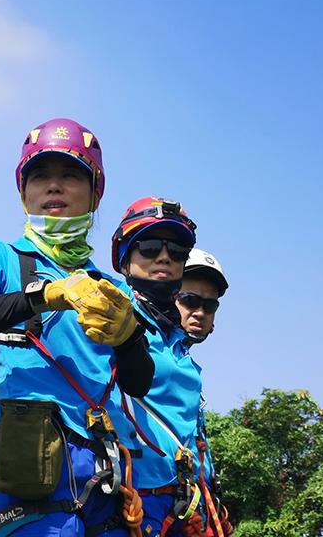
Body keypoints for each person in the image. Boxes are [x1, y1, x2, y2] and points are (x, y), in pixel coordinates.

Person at [0, 118, 154, 537]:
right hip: (34, 468)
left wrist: (129, 336)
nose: (54, 186)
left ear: (95, 192)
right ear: (23, 191)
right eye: (40, 175)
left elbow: (139, 382)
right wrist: (45, 295)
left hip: (108, 475)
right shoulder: (2, 258)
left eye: (70, 175)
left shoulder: (114, 288)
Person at [109, 198, 216, 537]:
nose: (165, 257)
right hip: (133, 495)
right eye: (151, 246)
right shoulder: (108, 308)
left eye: (178, 251)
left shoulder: (178, 343)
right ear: (125, 259)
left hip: (187, 498)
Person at [176, 249, 234, 537]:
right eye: (189, 300)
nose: (200, 311)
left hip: (197, 505)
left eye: (210, 305)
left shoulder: (186, 364)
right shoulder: (139, 353)